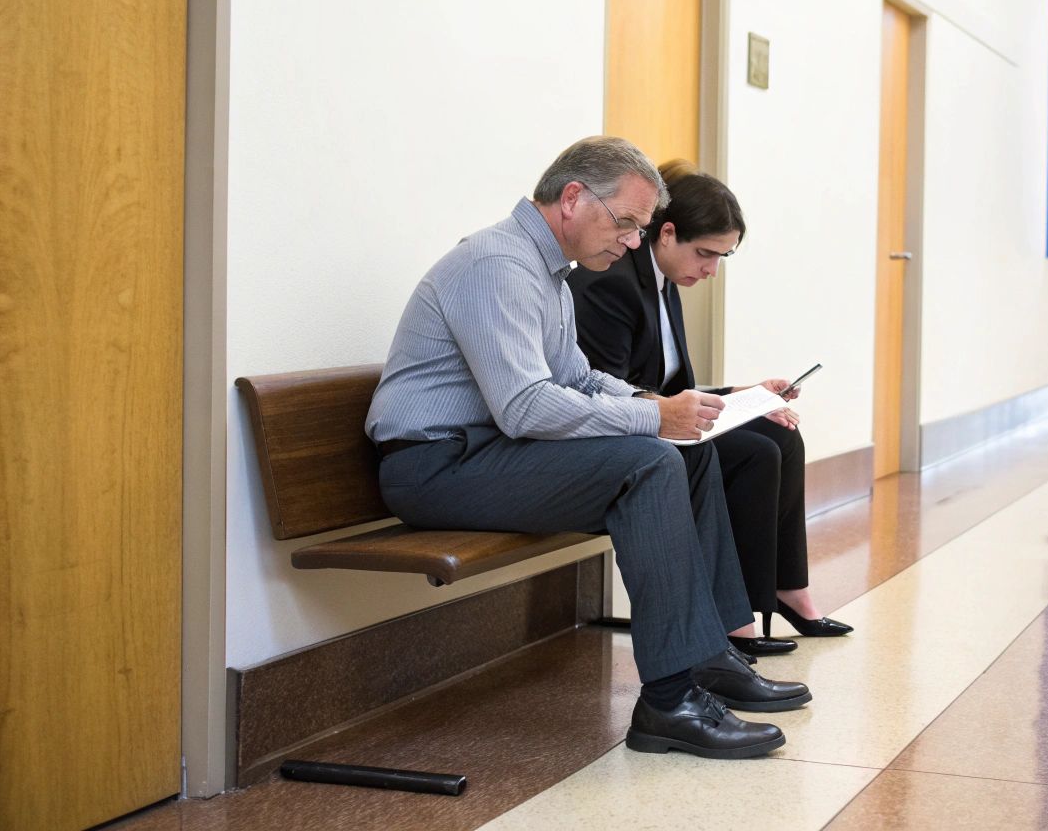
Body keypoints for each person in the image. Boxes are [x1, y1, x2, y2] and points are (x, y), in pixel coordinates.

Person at [364, 135, 809, 759]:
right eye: (625, 223)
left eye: (639, 228)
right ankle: (670, 700)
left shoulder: (547, 272)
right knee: (653, 458)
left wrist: (659, 409)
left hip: (483, 454)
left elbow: (577, 378)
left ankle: (708, 653)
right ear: (572, 198)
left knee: (689, 447)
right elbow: (524, 407)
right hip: (436, 465)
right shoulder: (498, 264)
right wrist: (652, 423)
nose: (632, 242)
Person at [569, 161, 853, 655]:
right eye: (705, 254)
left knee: (781, 435)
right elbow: (610, 390)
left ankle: (784, 589)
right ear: (668, 232)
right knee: (755, 454)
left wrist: (744, 394)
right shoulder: (612, 282)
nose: (710, 269)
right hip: (619, 430)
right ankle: (733, 616)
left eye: (721, 257)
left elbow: (671, 387)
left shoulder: (661, 281)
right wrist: (713, 406)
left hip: (654, 417)